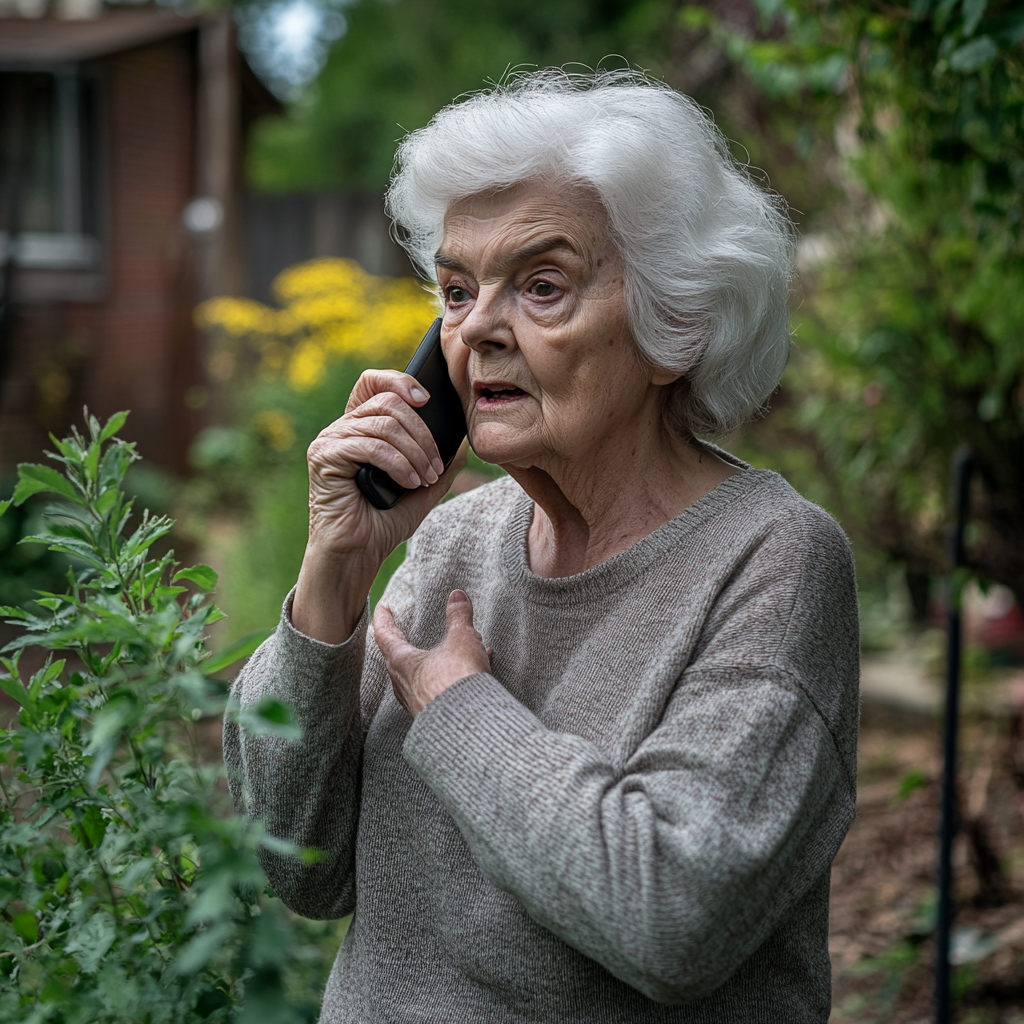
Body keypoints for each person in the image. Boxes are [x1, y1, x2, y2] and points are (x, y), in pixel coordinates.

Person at [224, 69, 859, 1023]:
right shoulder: (452, 537)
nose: (475, 328)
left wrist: (456, 705)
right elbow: (295, 862)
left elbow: (671, 917)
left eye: (542, 286)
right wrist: (334, 577)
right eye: (455, 288)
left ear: (673, 325)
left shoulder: (773, 561)